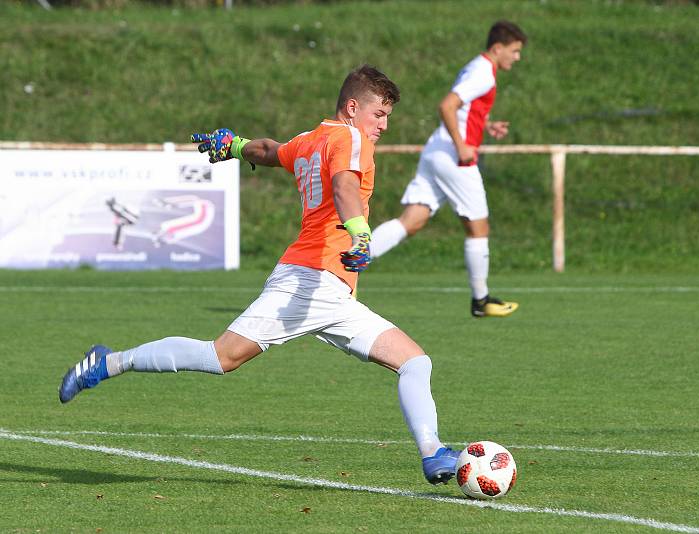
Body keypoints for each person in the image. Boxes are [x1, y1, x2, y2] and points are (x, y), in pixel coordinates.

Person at [58, 65, 460, 485]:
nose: (384, 124)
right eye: (379, 113)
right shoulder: (348, 137)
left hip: (330, 291)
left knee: (415, 361)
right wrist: (360, 234)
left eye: (388, 116)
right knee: (220, 357)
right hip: (309, 279)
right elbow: (344, 187)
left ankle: (433, 454)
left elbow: (271, 152)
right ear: (353, 107)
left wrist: (235, 146)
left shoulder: (311, 139)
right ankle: (110, 362)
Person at [370, 21, 527, 318]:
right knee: (478, 227)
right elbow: (447, 105)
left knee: (411, 221)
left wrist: (486, 124)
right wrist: (462, 144)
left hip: (436, 151)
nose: (517, 57)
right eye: (515, 51)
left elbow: (465, 107)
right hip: (454, 157)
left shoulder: (477, 67)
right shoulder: (483, 73)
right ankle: (481, 301)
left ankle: (350, 264)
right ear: (498, 48)